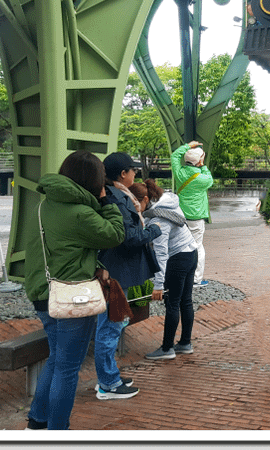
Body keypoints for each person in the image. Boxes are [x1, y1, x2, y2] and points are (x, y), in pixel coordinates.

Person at [23, 150, 125, 430]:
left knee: (56, 360)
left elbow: (64, 250)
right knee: (67, 369)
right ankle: (58, 431)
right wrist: (106, 202)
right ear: (94, 181)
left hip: (43, 293)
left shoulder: (42, 206)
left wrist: (94, 263)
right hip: (73, 299)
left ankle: (37, 421)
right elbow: (116, 234)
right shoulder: (80, 213)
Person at [92, 152, 162, 400]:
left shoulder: (116, 195)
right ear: (123, 173)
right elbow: (129, 238)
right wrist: (153, 230)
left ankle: (109, 376)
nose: (135, 174)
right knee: (110, 328)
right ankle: (108, 384)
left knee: (112, 325)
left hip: (117, 270)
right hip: (117, 272)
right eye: (133, 170)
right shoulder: (117, 198)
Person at [137, 179, 198, 361]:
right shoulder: (167, 200)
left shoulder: (159, 218)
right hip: (191, 252)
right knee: (185, 301)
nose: (134, 207)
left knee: (172, 302)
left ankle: (167, 348)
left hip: (177, 258)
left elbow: (161, 254)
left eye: (135, 203)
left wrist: (158, 285)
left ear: (146, 198)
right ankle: (185, 343)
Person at [170, 141, 214, 286]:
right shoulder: (203, 179)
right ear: (199, 161)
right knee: (197, 247)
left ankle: (176, 275)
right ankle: (195, 279)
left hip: (180, 215)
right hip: (196, 217)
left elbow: (175, 156)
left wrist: (188, 146)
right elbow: (210, 180)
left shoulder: (180, 173)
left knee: (180, 245)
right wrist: (203, 166)